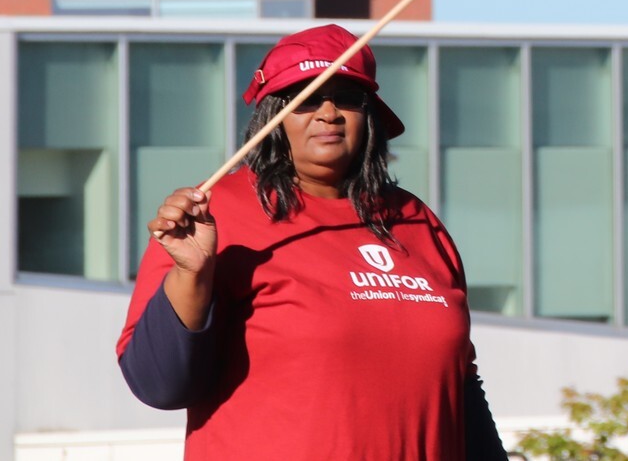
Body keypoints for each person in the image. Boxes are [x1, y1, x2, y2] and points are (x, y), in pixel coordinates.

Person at [117, 24, 506, 460]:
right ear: (272, 118)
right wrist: (193, 273)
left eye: (346, 97)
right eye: (303, 98)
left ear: (369, 115)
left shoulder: (417, 223)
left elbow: (461, 386)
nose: (328, 112)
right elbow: (158, 384)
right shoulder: (210, 215)